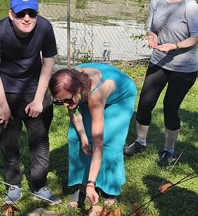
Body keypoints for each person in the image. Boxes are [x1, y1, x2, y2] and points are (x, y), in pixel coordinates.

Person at [123, 0, 198, 168]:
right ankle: (140, 142)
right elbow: (151, 28)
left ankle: (169, 150)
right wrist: (152, 38)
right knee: (145, 103)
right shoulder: (157, 1)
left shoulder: (190, 6)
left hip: (184, 67)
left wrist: (175, 46)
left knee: (170, 107)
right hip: (159, 61)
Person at [0, 0, 58, 204]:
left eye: (31, 13)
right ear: (11, 14)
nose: (27, 18)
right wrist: (3, 105)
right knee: (9, 139)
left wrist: (39, 99)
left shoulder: (44, 28)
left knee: (39, 139)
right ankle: (14, 184)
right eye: (21, 14)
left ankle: (40, 185)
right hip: (5, 88)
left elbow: (48, 65)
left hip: (34, 87)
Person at [50, 65, 138, 207]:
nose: (65, 105)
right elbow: (75, 113)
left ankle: (109, 189)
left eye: (68, 100)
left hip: (120, 98)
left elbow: (98, 143)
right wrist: (84, 138)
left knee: (110, 141)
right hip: (87, 94)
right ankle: (82, 188)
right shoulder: (67, 82)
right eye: (59, 102)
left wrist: (92, 183)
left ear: (78, 90)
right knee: (75, 137)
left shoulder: (95, 95)